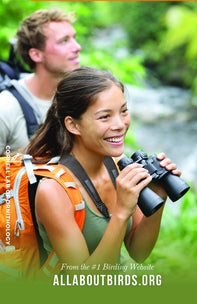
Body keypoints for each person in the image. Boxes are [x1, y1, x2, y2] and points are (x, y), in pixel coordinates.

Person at [27, 66, 181, 274]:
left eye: (124, 111)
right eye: (104, 117)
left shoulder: (118, 165)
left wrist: (158, 194)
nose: (120, 124)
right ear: (73, 125)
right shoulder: (53, 191)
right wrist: (121, 212)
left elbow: (138, 252)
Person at [0, 8, 82, 154]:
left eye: (74, 38)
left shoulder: (82, 98)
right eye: (64, 41)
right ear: (36, 54)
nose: (77, 47)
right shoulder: (5, 108)